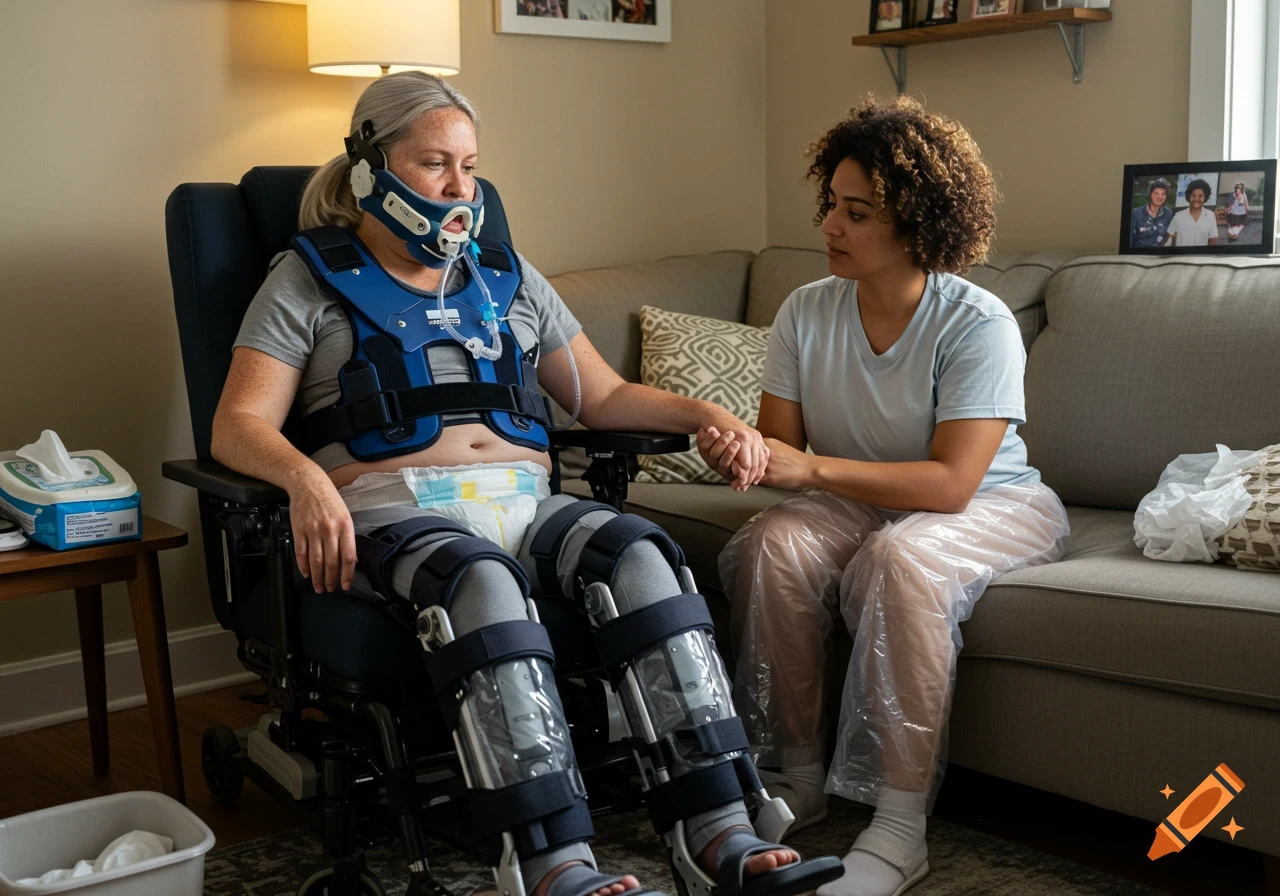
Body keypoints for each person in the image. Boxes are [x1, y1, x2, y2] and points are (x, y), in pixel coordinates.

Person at [212, 71, 843, 896]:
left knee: (641, 556)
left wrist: (704, 417)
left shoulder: (506, 279)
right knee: (481, 581)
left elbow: (603, 396)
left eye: (470, 166)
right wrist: (305, 480)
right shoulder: (307, 280)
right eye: (435, 163)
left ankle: (719, 829)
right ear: (370, 168)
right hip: (392, 514)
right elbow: (239, 424)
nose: (460, 189)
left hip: (526, 504)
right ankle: (550, 865)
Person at [707, 96, 1070, 896]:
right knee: (773, 544)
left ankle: (901, 826)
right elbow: (779, 455)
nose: (832, 227)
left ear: (918, 223)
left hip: (990, 506)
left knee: (901, 558)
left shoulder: (978, 324)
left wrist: (808, 471)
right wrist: (737, 448)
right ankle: (793, 776)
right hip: (861, 497)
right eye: (831, 206)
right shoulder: (805, 310)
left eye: (858, 212)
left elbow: (951, 482)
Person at [1165, 178, 1218, 247]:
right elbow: (1170, 235)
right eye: (1193, 195)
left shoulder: (1210, 215)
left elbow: (1213, 240)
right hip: (1182, 256)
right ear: (1189, 196)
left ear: (1205, 197)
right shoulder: (1178, 216)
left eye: (1200, 196)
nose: (1196, 199)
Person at [1130, 177, 1173, 248]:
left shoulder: (1168, 214)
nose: (1160, 197)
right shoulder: (1136, 213)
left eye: (1163, 194)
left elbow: (1169, 236)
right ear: (1150, 194)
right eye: (1156, 193)